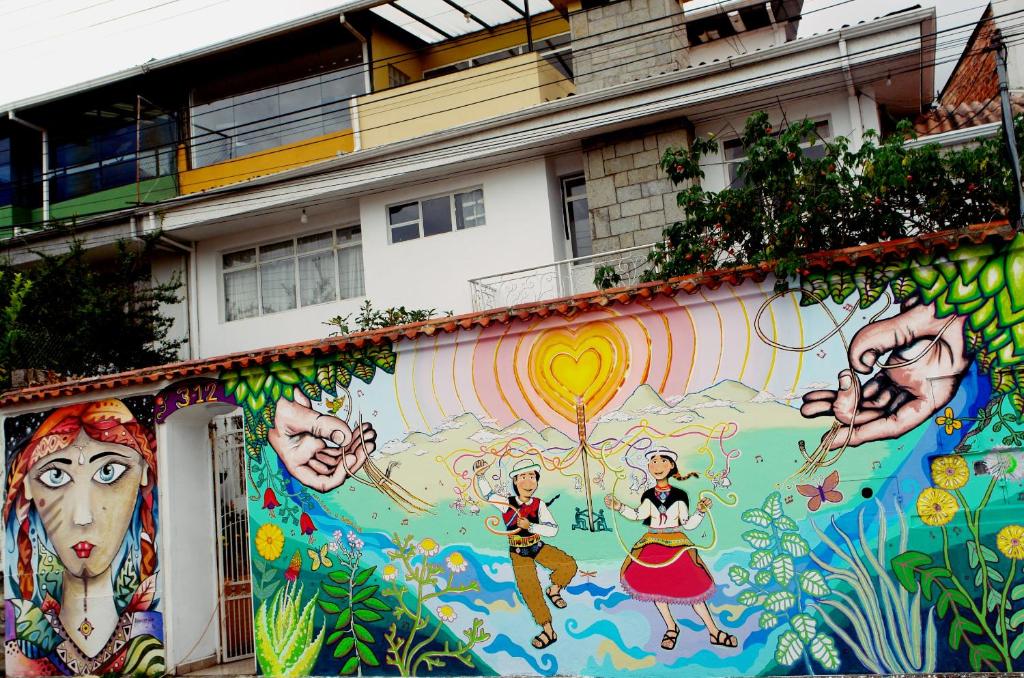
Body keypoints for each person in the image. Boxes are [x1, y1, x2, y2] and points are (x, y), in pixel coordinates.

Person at [4, 399, 164, 676]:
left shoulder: (152, 632)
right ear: (26, 486)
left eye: (108, 472)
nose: (82, 516)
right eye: (55, 476)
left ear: (145, 476)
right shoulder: (21, 648)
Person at [604, 448, 737, 651]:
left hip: (676, 544)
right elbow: (639, 514)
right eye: (653, 461)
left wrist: (700, 512)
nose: (657, 466)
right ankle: (671, 627)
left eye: (662, 461)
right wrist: (619, 507)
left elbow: (688, 523)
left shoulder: (680, 495)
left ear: (671, 465)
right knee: (656, 588)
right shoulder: (648, 494)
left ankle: (713, 631)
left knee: (694, 587)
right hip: (651, 544)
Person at [474, 458, 577, 649]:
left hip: (537, 546)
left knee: (568, 564)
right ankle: (548, 630)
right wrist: (480, 476)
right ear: (515, 481)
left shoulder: (539, 504)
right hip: (519, 552)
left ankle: (554, 590)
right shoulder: (507, 503)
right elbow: (489, 495)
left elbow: (552, 529)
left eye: (532, 477)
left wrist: (531, 526)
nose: (528, 482)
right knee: (530, 590)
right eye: (523, 477)